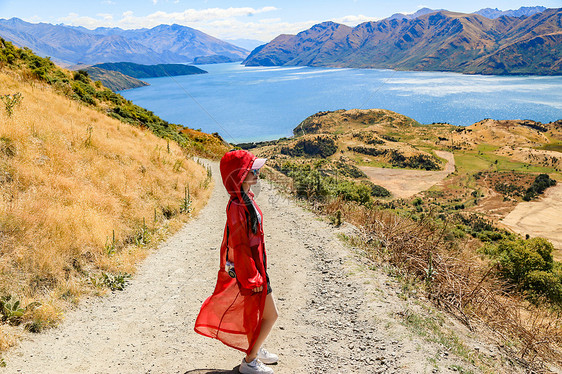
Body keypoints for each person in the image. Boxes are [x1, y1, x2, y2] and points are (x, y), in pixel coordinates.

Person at [195, 150, 279, 374]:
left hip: (257, 264)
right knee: (271, 315)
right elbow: (239, 245)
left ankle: (256, 347)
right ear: (238, 176)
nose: (257, 172)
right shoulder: (237, 206)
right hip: (252, 268)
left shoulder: (246, 198)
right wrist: (253, 276)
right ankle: (249, 362)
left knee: (258, 312)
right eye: (252, 170)